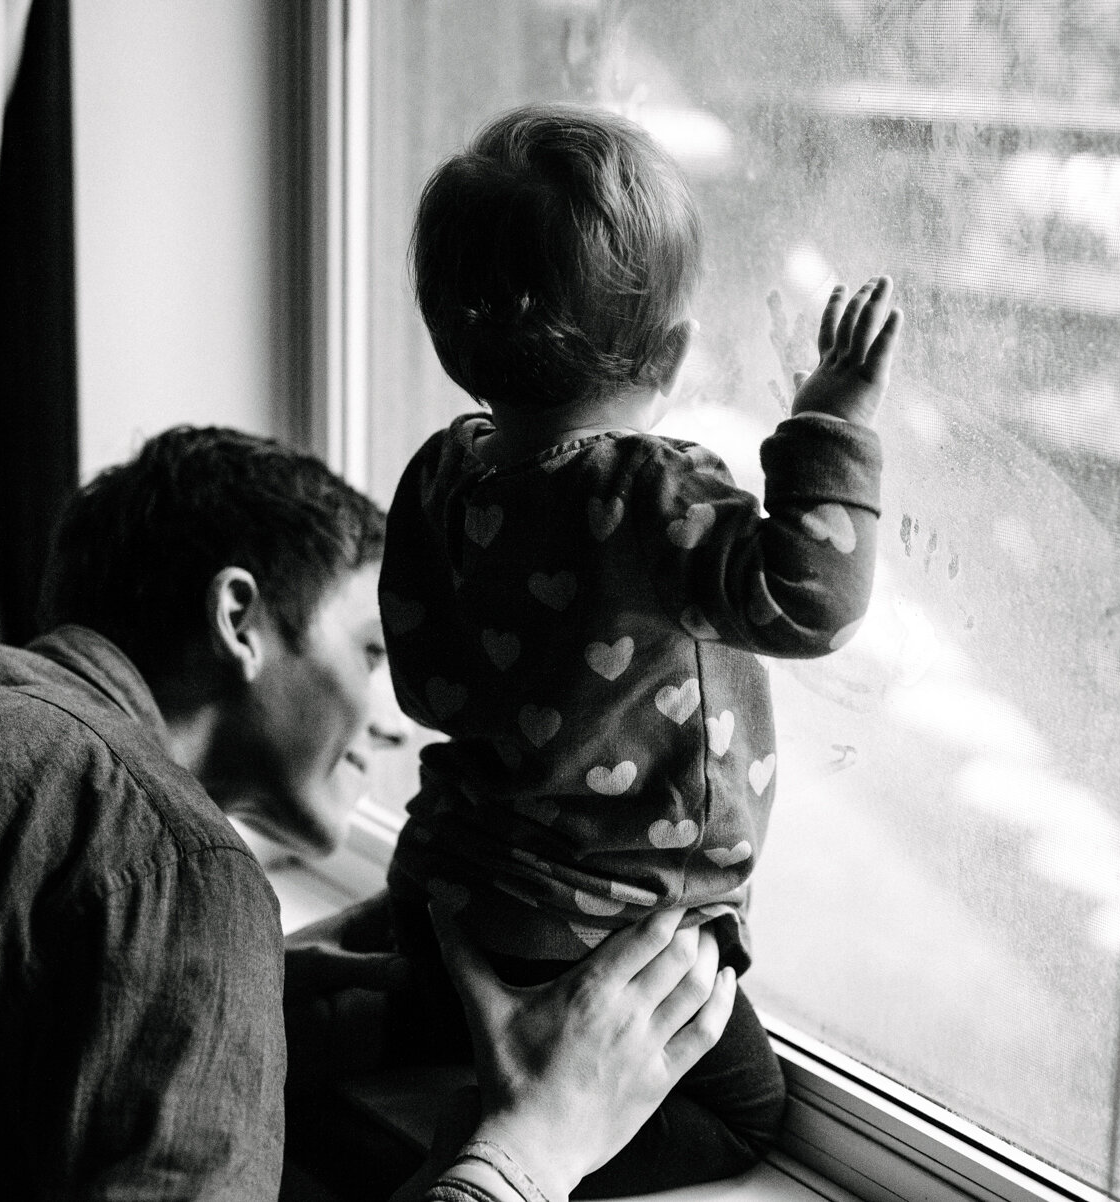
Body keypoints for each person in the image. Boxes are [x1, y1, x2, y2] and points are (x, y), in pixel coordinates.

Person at [0, 425, 734, 1202]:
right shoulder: (175, 866)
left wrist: (251, 992)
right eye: (370, 650)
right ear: (240, 618)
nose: (404, 723)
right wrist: (528, 1152)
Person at [376, 104, 903, 1196]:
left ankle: (371, 1022)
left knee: (416, 1005)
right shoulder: (651, 496)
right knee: (744, 1111)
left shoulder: (442, 473)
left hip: (450, 888)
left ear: (457, 339)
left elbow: (425, 680)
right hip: (606, 932)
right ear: (673, 345)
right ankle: (499, 1139)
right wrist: (835, 415)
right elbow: (813, 598)